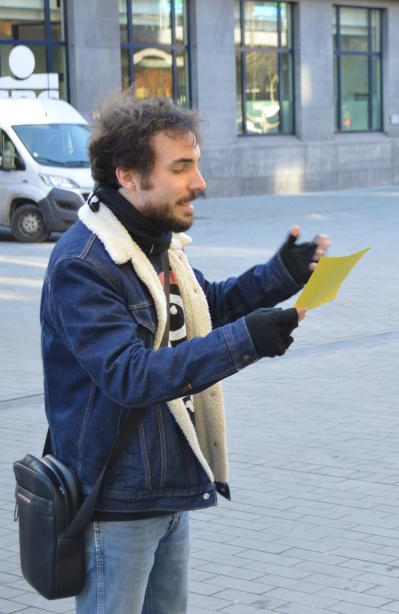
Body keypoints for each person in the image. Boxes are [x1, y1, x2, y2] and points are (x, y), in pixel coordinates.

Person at [40, 95, 329, 614]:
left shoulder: (155, 241)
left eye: (196, 164)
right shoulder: (84, 263)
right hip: (117, 499)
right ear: (129, 175)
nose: (200, 182)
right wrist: (248, 341)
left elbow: (202, 308)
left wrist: (280, 275)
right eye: (181, 167)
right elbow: (129, 375)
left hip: (169, 483)